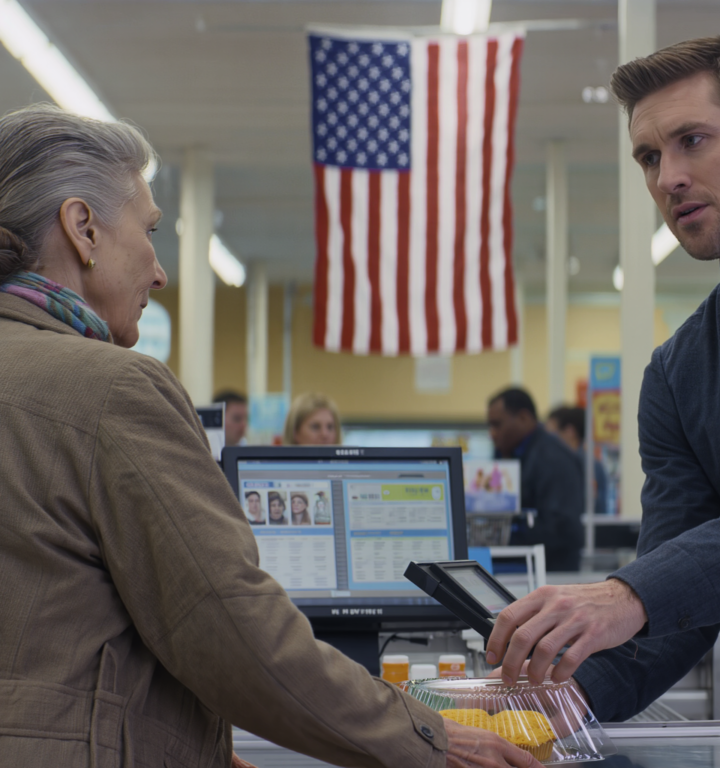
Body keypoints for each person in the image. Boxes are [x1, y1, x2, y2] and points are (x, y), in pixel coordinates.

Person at [0, 104, 536, 768]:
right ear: (82, 228)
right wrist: (428, 737)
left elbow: (50, 629)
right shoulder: (112, 389)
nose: (159, 271)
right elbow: (231, 629)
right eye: (150, 230)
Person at [485, 36, 720, 723]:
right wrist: (563, 695)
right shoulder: (679, 374)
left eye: (692, 140)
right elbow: (678, 598)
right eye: (649, 156)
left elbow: (652, 590)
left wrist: (628, 595)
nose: (667, 177)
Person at [487, 388, 585, 572]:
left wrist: (506, 536)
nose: (492, 433)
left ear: (523, 418)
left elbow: (562, 530)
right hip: (519, 570)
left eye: (497, 425)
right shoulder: (508, 455)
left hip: (552, 576)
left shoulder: (554, 459)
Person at [545, 406, 608, 515]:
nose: (548, 440)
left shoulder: (586, 466)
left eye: (553, 433)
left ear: (570, 431)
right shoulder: (595, 464)